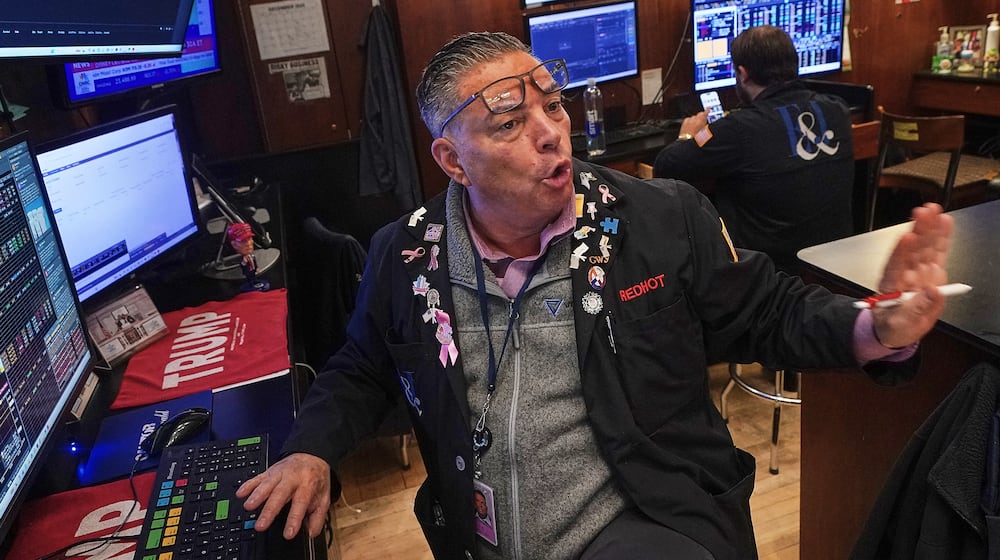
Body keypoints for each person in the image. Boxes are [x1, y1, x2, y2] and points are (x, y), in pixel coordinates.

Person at [235, 31, 953, 560]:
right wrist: (312, 451)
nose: (552, 133)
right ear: (453, 160)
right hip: (478, 534)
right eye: (510, 122)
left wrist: (877, 328)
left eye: (552, 105)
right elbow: (362, 367)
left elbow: (772, 311)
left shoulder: (659, 215)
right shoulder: (404, 253)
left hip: (646, 520)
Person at [653, 25, 856, 271]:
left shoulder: (738, 128)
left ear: (743, 73)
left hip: (771, 275)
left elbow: (666, 165)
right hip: (834, 265)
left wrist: (687, 134)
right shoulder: (838, 110)